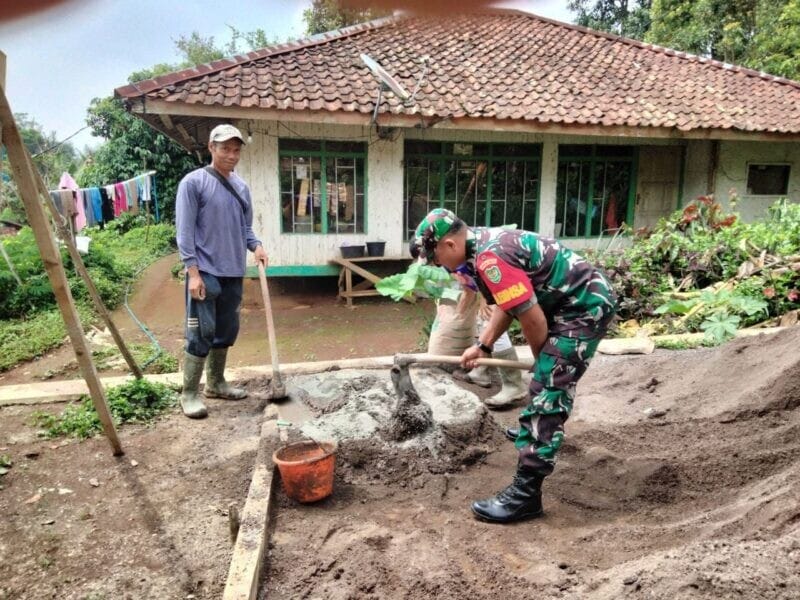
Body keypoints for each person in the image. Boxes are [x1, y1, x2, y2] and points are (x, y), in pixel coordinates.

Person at [410, 208, 616, 523]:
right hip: (566, 302)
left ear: (449, 245)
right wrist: (483, 344)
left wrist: (542, 360)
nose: (440, 266)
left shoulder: (489, 259)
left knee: (548, 389)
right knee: (546, 377)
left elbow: (531, 317)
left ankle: (525, 496)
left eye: (436, 258)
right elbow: (510, 303)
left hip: (582, 307)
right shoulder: (481, 247)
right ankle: (531, 430)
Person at [175, 124, 268, 419]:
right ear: (211, 148)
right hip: (204, 270)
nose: (231, 154)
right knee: (201, 332)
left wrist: (257, 246)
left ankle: (215, 383)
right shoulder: (193, 183)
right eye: (225, 148)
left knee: (226, 331)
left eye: (236, 149)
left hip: (233, 270)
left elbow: (245, 228)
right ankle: (189, 393)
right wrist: (192, 273)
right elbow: (184, 232)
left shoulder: (241, 187)